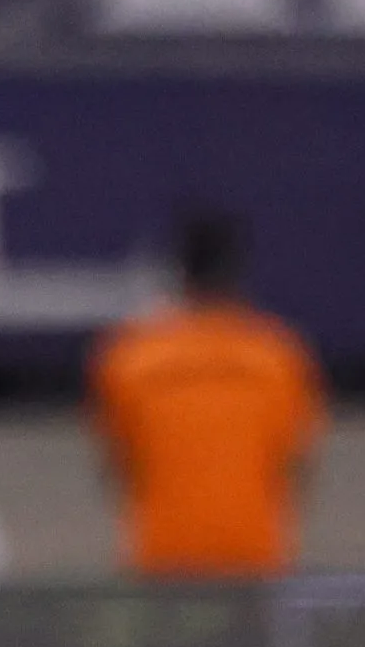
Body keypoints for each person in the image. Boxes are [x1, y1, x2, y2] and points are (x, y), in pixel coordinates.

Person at [90, 210, 328, 577]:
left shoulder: (128, 357)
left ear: (178, 272)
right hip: (257, 555)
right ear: (238, 273)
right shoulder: (280, 355)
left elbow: (117, 466)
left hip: (161, 557)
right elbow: (297, 465)